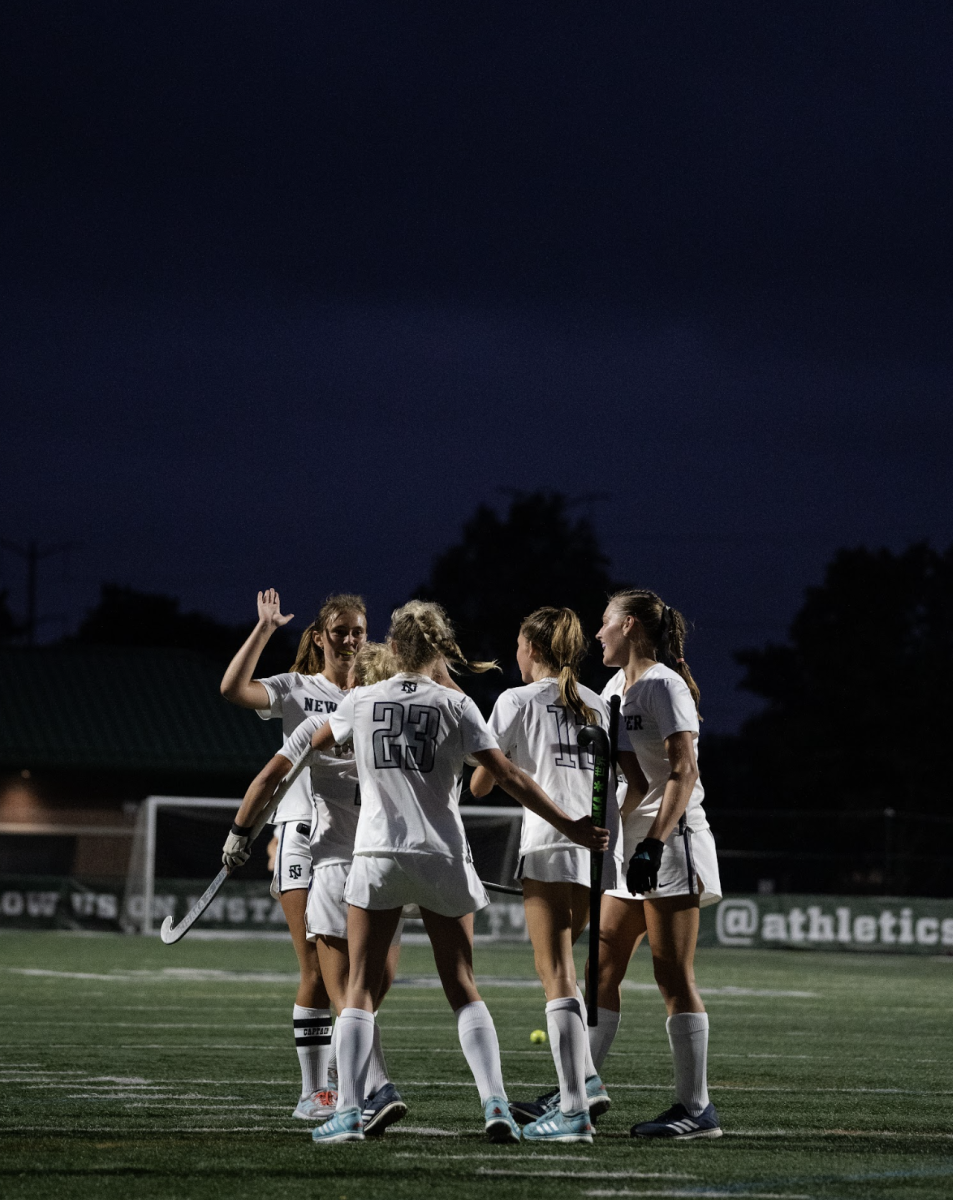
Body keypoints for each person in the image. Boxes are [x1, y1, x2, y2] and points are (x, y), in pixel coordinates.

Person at [259, 600, 610, 1145]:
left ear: (392, 647)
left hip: (375, 857)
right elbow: (509, 777)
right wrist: (572, 824)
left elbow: (301, 753)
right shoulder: (457, 705)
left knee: (357, 989)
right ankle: (494, 1102)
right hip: (445, 855)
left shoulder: (361, 700)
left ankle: (349, 1112)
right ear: (441, 650)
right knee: (463, 985)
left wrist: (261, 825)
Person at [469, 606, 639, 1142]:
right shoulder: (599, 702)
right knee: (566, 968)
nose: (515, 654)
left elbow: (480, 785)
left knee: (557, 974)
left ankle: (575, 1107)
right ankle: (583, 1079)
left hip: (549, 846)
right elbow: (624, 779)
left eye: (519, 645)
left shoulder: (515, 701)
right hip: (596, 852)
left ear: (533, 650)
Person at [220, 589, 367, 1120]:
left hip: (359, 839)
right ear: (320, 636)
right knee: (313, 966)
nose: (350, 639)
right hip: (301, 834)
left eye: (358, 630)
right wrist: (263, 630)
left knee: (360, 972)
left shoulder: (376, 692)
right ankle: (315, 1090)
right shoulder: (298, 688)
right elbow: (233, 689)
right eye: (340, 630)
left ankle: (358, 1081)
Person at [593, 588, 723, 1140]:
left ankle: (696, 1110)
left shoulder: (665, 685)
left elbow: (683, 771)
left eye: (603, 623)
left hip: (672, 842)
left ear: (627, 625)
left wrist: (652, 842)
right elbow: (635, 781)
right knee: (600, 966)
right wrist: (608, 834)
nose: (598, 634)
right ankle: (580, 1088)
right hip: (634, 843)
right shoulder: (612, 688)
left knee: (671, 972)